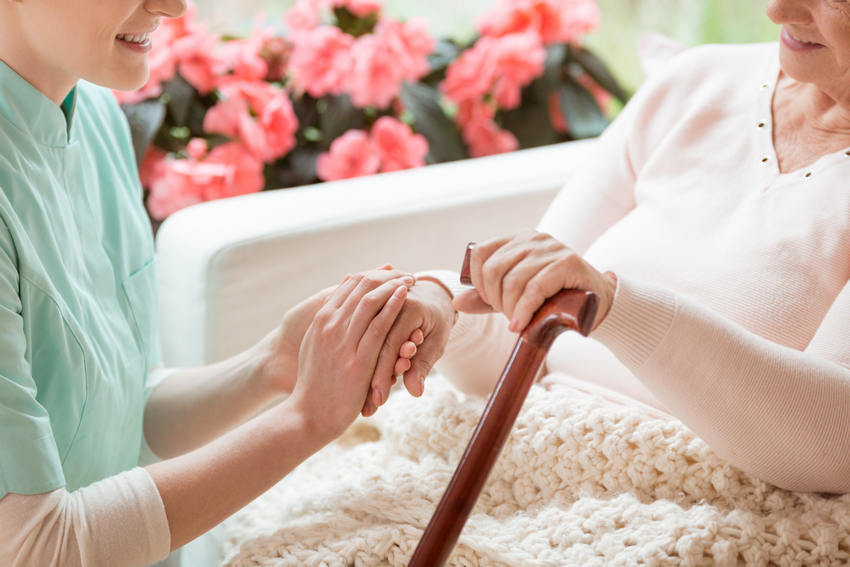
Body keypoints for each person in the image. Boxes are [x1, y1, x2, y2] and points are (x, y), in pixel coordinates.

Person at [0, 0, 427, 565]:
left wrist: (272, 362)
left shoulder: (94, 113)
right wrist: (305, 420)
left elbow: (126, 416)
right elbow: (34, 545)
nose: (173, 7)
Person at [364, 0, 850, 495]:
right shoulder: (696, 84)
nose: (778, 9)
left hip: (691, 517)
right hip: (528, 472)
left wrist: (615, 308)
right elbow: (519, 338)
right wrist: (442, 308)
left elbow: (835, 446)